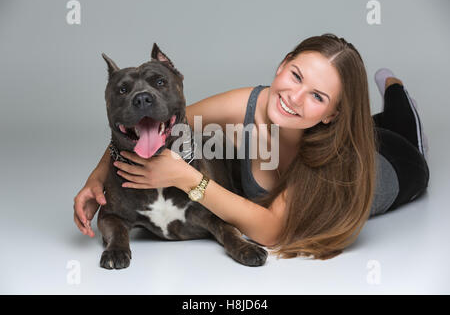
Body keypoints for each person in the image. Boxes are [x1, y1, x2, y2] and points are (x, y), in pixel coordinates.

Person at [73, 33, 429, 260]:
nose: (294, 97)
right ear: (281, 65)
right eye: (296, 76)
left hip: (399, 164)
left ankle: (395, 88)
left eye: (317, 96)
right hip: (341, 128)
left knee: (397, 126)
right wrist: (96, 176)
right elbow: (156, 124)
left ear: (332, 114)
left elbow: (271, 231)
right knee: (359, 125)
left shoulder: (333, 160)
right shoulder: (249, 103)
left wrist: (185, 179)